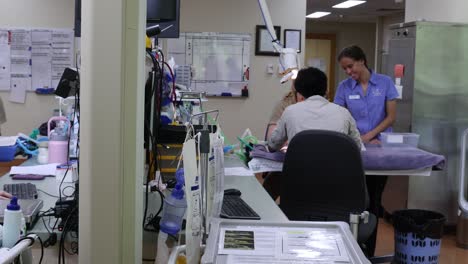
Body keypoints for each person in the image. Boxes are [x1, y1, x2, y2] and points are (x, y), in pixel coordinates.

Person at [334, 45, 399, 257]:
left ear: (362, 60)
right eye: (345, 69)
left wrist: (369, 136)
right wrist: (353, 139)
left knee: (373, 201)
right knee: (353, 200)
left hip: (379, 148)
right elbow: (340, 116)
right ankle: (349, 249)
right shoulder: (344, 88)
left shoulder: (385, 83)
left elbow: (390, 117)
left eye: (350, 66)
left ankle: (367, 253)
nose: (348, 72)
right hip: (354, 149)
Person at [268, 67, 361, 151]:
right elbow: (357, 147)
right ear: (326, 91)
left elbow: (273, 145)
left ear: (299, 94)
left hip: (299, 168)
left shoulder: (290, 112)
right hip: (335, 168)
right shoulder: (344, 113)